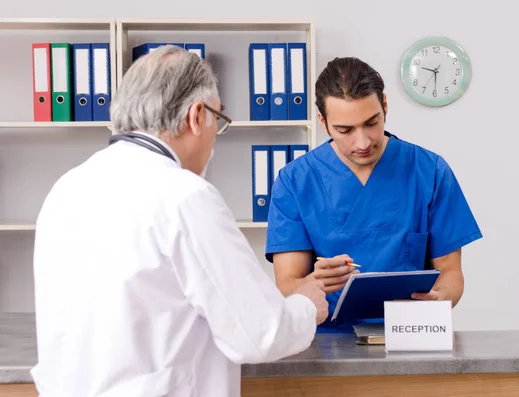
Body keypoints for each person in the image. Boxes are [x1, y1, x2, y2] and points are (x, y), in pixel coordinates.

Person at [31, 45, 328, 397]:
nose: (214, 137)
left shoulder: (68, 187)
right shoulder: (185, 196)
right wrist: (308, 303)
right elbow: (260, 335)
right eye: (218, 120)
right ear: (196, 115)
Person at [266, 56, 482, 332]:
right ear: (323, 121)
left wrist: (437, 300)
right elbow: (287, 284)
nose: (363, 142)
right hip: (324, 342)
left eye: (371, 122)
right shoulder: (295, 181)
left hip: (411, 334)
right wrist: (312, 283)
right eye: (345, 130)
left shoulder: (429, 171)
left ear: (385, 106)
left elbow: (451, 272)